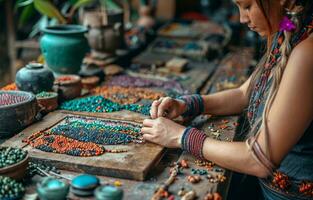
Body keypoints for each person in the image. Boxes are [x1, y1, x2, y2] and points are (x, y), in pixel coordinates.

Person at [141, 0, 313, 199]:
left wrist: (180, 137)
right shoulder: (290, 28)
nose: (242, 18)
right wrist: (188, 104)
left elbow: (259, 159)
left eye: (248, 6)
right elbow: (244, 94)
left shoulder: (306, 53)